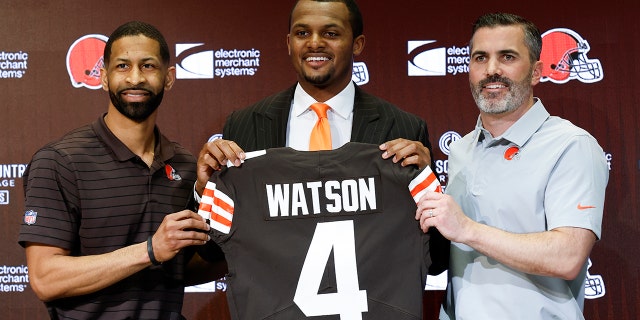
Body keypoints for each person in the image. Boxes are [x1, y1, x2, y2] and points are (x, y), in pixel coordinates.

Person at [195, 0, 448, 275]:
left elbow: (434, 260)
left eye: (331, 33)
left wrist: (430, 193)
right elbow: (214, 252)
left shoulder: (403, 128)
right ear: (289, 43)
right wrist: (204, 190)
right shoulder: (245, 126)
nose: (314, 43)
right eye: (302, 33)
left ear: (357, 44)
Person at [18, 21, 225, 319]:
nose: (136, 78)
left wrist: (247, 239)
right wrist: (149, 250)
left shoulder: (183, 164)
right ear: (103, 77)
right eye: (123, 66)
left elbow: (180, 268)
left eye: (148, 66)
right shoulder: (60, 161)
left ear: (169, 78)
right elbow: (45, 279)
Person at [415, 13, 609, 319]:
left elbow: (568, 256)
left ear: (535, 72)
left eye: (507, 57)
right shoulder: (461, 150)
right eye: (480, 58)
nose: (492, 70)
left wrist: (466, 229)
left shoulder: (572, 145)